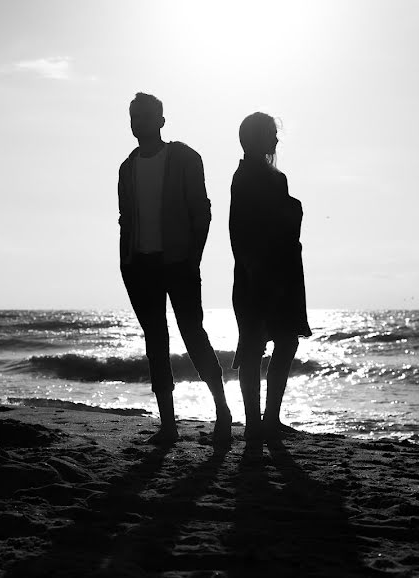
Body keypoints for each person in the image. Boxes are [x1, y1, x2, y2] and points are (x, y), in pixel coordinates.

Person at [117, 92, 232, 446]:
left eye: (146, 116)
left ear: (161, 120)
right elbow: (125, 219)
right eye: (134, 116)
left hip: (179, 262)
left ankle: (223, 412)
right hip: (141, 266)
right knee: (156, 342)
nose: (139, 122)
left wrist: (193, 256)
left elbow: (203, 210)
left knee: (193, 334)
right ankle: (168, 426)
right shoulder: (127, 166)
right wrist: (126, 262)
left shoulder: (183, 157)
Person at [229, 112, 311, 444]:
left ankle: (266, 420)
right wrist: (253, 269)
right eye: (272, 134)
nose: (277, 140)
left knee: (280, 342)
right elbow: (240, 230)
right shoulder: (248, 177)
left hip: (279, 270)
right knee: (254, 347)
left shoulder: (272, 178)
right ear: (257, 138)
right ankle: (257, 423)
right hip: (260, 271)